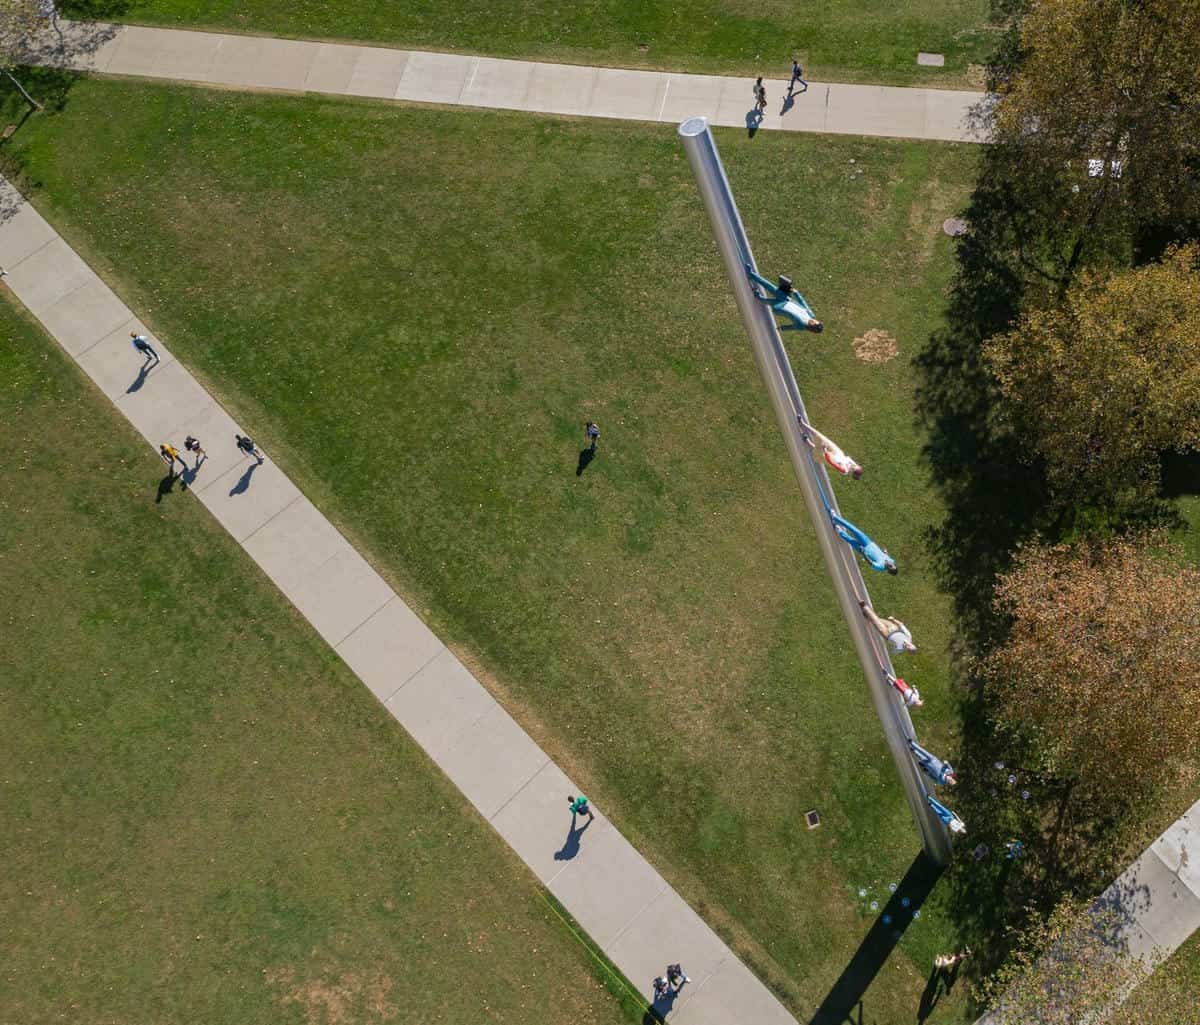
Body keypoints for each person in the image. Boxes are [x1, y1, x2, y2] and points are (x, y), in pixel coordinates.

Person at [745, 265, 824, 332]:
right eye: (816, 321)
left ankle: (757, 295)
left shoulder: (801, 326)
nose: (813, 321)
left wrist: (782, 328)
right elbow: (803, 303)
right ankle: (751, 274)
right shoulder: (811, 315)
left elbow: (791, 327)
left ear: (811, 327)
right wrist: (797, 293)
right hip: (786, 299)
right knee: (769, 286)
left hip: (780, 307)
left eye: (813, 324)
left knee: (766, 300)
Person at [831, 513, 897, 574]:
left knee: (850, 540)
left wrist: (863, 553)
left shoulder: (880, 567)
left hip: (862, 550)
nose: (891, 564)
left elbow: (870, 562)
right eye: (893, 565)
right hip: (869, 543)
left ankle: (839, 530)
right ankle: (835, 517)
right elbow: (886, 556)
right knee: (854, 530)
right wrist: (885, 552)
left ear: (888, 570)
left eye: (890, 567)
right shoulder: (892, 561)